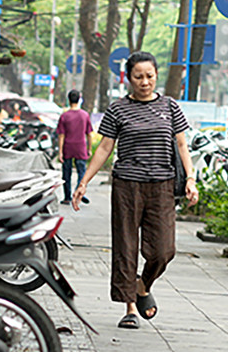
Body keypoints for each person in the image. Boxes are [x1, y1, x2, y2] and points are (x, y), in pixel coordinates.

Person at [72, 52, 197, 329]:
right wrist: (83, 182)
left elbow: (181, 145)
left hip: (162, 185)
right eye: (138, 77)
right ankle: (129, 307)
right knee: (126, 246)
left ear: (156, 76)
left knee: (164, 251)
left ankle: (143, 286)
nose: (144, 82)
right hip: (127, 185)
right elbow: (105, 147)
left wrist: (190, 178)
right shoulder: (118, 109)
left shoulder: (170, 107)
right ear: (128, 78)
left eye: (149, 76)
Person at [56, 89, 93, 206]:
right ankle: (79, 192)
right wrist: (89, 149)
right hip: (80, 147)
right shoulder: (85, 115)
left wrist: (60, 152)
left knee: (66, 173)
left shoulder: (64, 116)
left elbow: (61, 135)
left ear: (68, 100)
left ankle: (67, 197)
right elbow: (89, 134)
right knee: (82, 172)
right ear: (79, 99)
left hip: (68, 146)